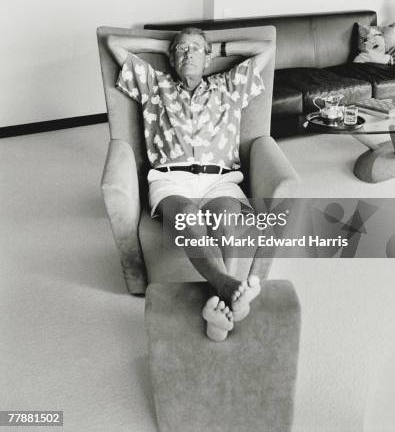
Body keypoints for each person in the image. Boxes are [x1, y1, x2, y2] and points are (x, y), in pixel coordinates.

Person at [107, 28, 273, 341]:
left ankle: (220, 313)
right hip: (171, 178)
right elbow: (113, 43)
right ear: (171, 58)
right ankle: (228, 290)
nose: (188, 54)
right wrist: (164, 46)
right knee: (188, 217)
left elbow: (267, 48)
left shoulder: (228, 85)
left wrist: (218, 47)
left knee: (224, 224)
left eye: (196, 49)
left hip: (220, 178)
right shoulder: (155, 83)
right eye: (181, 50)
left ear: (208, 57)